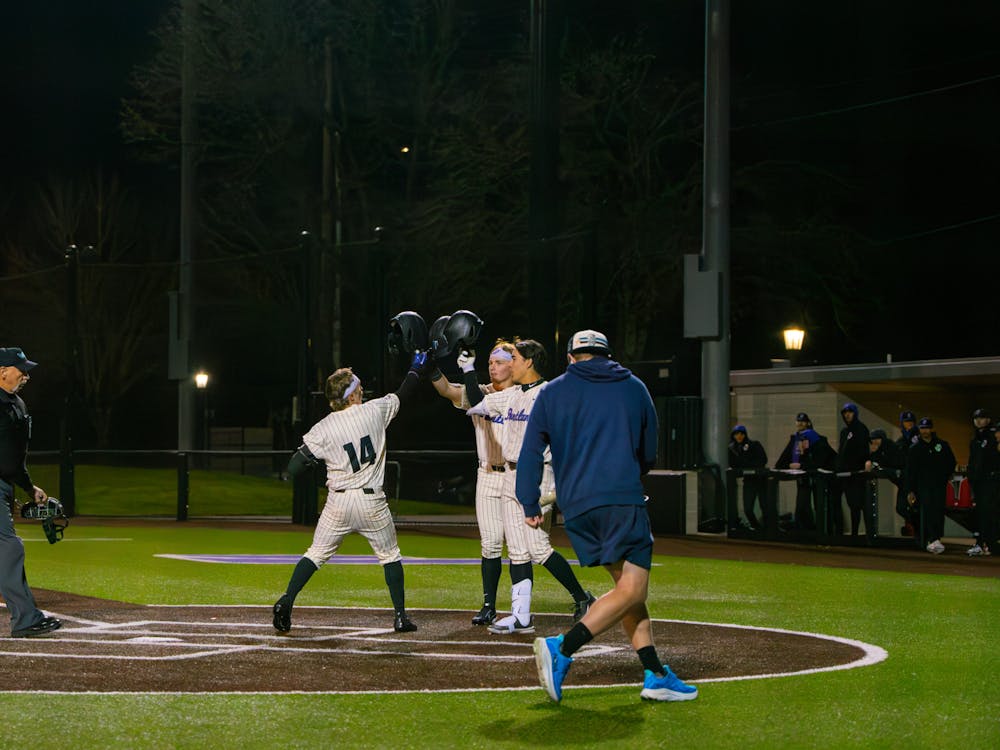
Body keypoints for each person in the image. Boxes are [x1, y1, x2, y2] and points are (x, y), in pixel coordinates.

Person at [518, 330, 697, 704]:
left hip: (578, 507)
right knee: (633, 589)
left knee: (626, 589)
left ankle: (655, 673)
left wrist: (529, 502)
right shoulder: (633, 386)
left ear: (571, 357)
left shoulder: (551, 393)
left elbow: (532, 451)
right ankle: (562, 648)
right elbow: (649, 449)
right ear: (608, 354)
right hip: (620, 498)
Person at [272, 353, 430, 634]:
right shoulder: (375, 410)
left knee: (316, 553)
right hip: (371, 500)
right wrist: (416, 366)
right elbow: (406, 390)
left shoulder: (323, 427)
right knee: (390, 555)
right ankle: (400, 617)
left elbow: (294, 467)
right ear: (353, 394)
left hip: (339, 500)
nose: (361, 390)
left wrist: (320, 458)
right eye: (358, 387)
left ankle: (287, 600)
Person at [466, 338, 595, 635]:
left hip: (538, 476)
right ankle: (521, 615)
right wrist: (469, 369)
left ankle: (583, 598)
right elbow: (478, 403)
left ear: (529, 362)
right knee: (520, 553)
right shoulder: (513, 394)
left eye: (515, 357)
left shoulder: (550, 394)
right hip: (512, 476)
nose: (510, 362)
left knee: (537, 549)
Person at [429, 340, 516, 625]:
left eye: (500, 361)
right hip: (488, 474)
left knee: (529, 549)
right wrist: (430, 364)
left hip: (518, 476)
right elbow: (446, 389)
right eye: (490, 362)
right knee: (490, 545)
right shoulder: (483, 392)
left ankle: (575, 597)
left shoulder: (524, 395)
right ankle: (489, 605)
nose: (493, 366)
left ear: (515, 364)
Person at [0, 347, 62, 637]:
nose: (26, 375)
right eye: (20, 369)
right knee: (9, 547)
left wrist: (28, 487)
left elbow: (14, 456)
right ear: (2, 371)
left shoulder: (17, 404)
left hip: (5, 483)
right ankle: (25, 619)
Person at [774, 413, 836, 530]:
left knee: (821, 506)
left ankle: (824, 532)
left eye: (803, 421)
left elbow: (821, 460)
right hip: (804, 480)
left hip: (819, 479)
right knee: (802, 506)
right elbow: (783, 459)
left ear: (808, 423)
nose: (800, 423)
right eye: (798, 421)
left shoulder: (817, 439)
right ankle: (808, 531)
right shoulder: (795, 440)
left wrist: (801, 465)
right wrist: (787, 466)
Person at [904, 417, 957, 554]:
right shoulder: (915, 448)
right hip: (922, 486)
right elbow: (910, 471)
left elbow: (951, 462)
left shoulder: (942, 445)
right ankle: (929, 539)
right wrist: (911, 490)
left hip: (939, 485)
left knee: (938, 512)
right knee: (926, 512)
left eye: (927, 428)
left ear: (932, 429)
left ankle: (936, 538)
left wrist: (944, 477)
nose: (925, 431)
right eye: (922, 428)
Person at [835, 403, 873, 541]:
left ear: (855, 413)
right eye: (845, 412)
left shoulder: (861, 429)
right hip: (844, 475)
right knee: (851, 504)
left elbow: (864, 451)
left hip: (856, 474)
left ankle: (860, 535)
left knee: (859, 505)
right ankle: (851, 534)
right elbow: (841, 453)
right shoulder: (844, 432)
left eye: (850, 412)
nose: (847, 414)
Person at [965, 408, 995, 556]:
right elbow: (972, 460)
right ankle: (981, 542)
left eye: (982, 418)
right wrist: (970, 476)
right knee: (979, 513)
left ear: (988, 420)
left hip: (990, 481)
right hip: (978, 482)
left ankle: (988, 543)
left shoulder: (992, 437)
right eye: (976, 418)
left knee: (989, 512)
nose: (978, 420)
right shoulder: (975, 439)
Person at [728, 424, 769, 530]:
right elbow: (733, 464)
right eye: (736, 434)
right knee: (747, 509)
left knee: (765, 506)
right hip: (749, 481)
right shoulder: (733, 449)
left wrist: (747, 465)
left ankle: (768, 529)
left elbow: (763, 460)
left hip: (761, 479)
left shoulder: (755, 444)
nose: (739, 436)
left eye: (741, 434)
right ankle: (757, 528)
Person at [894, 410, 920, 536]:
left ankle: (919, 531)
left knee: (916, 507)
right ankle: (914, 526)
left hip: (917, 479)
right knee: (901, 507)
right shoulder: (900, 441)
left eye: (911, 422)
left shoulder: (919, 439)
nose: (909, 425)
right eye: (906, 422)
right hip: (904, 480)